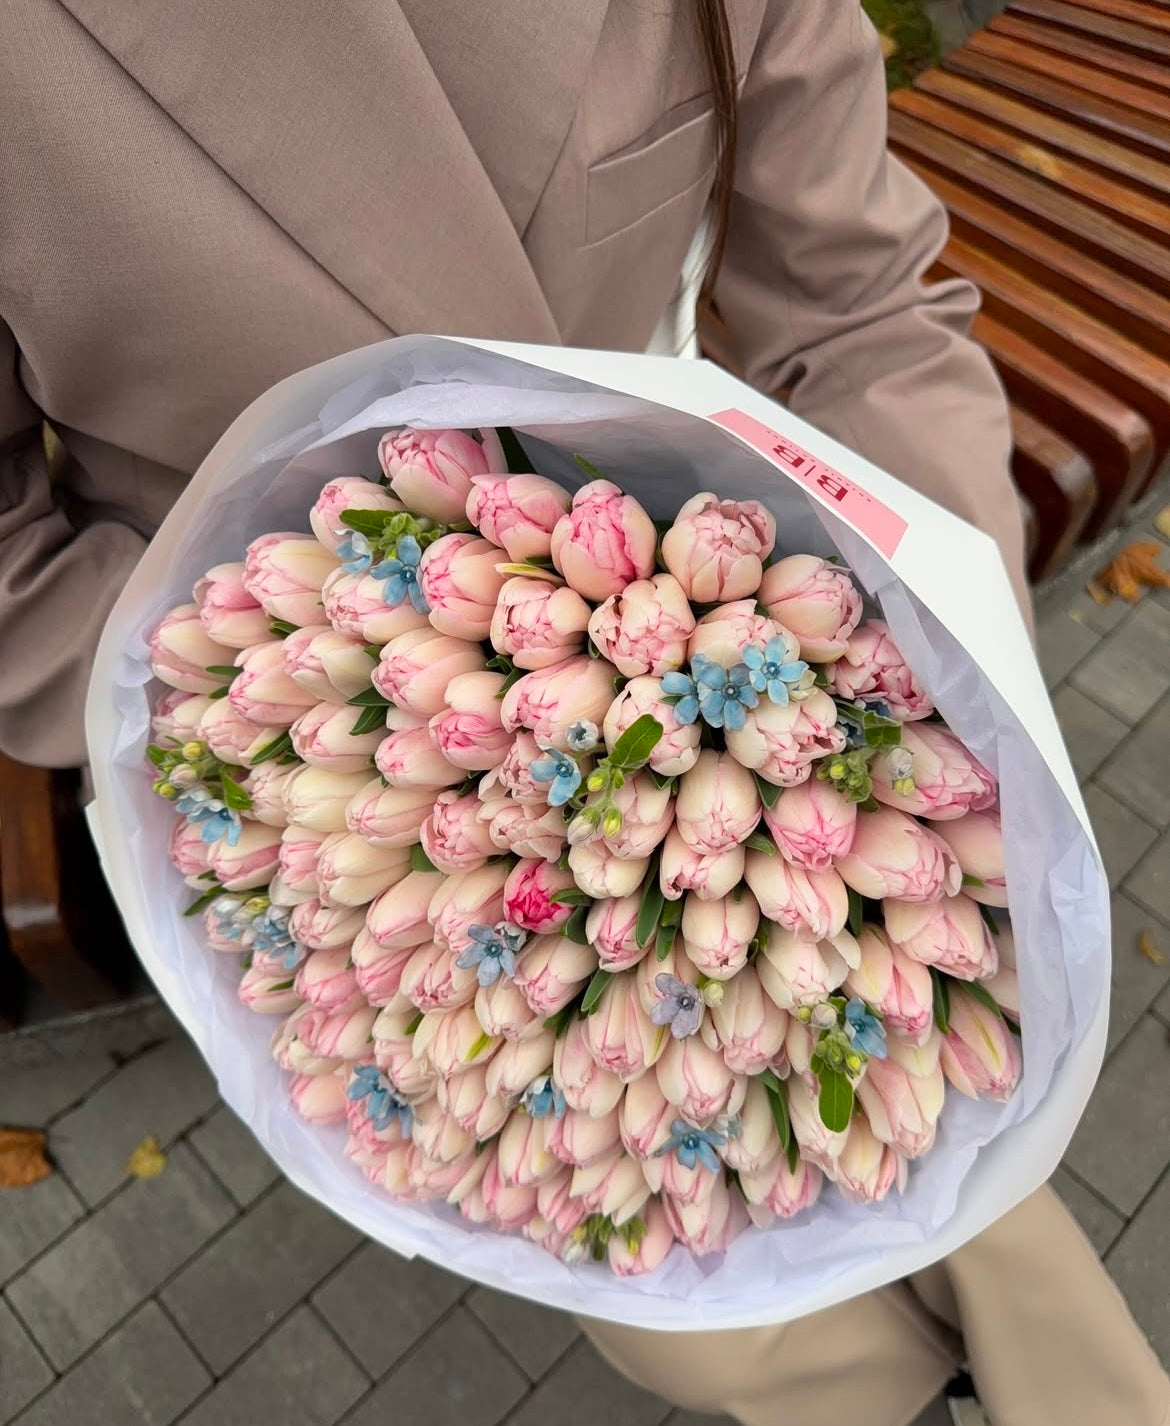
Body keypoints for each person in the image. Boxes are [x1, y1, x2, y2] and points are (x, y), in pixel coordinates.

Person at [1, 2, 1165, 1422]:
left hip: (775, 639)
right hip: (348, 777)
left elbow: (857, 309)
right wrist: (251, 700)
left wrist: (951, 695)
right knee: (711, 1290)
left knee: (940, 1137)